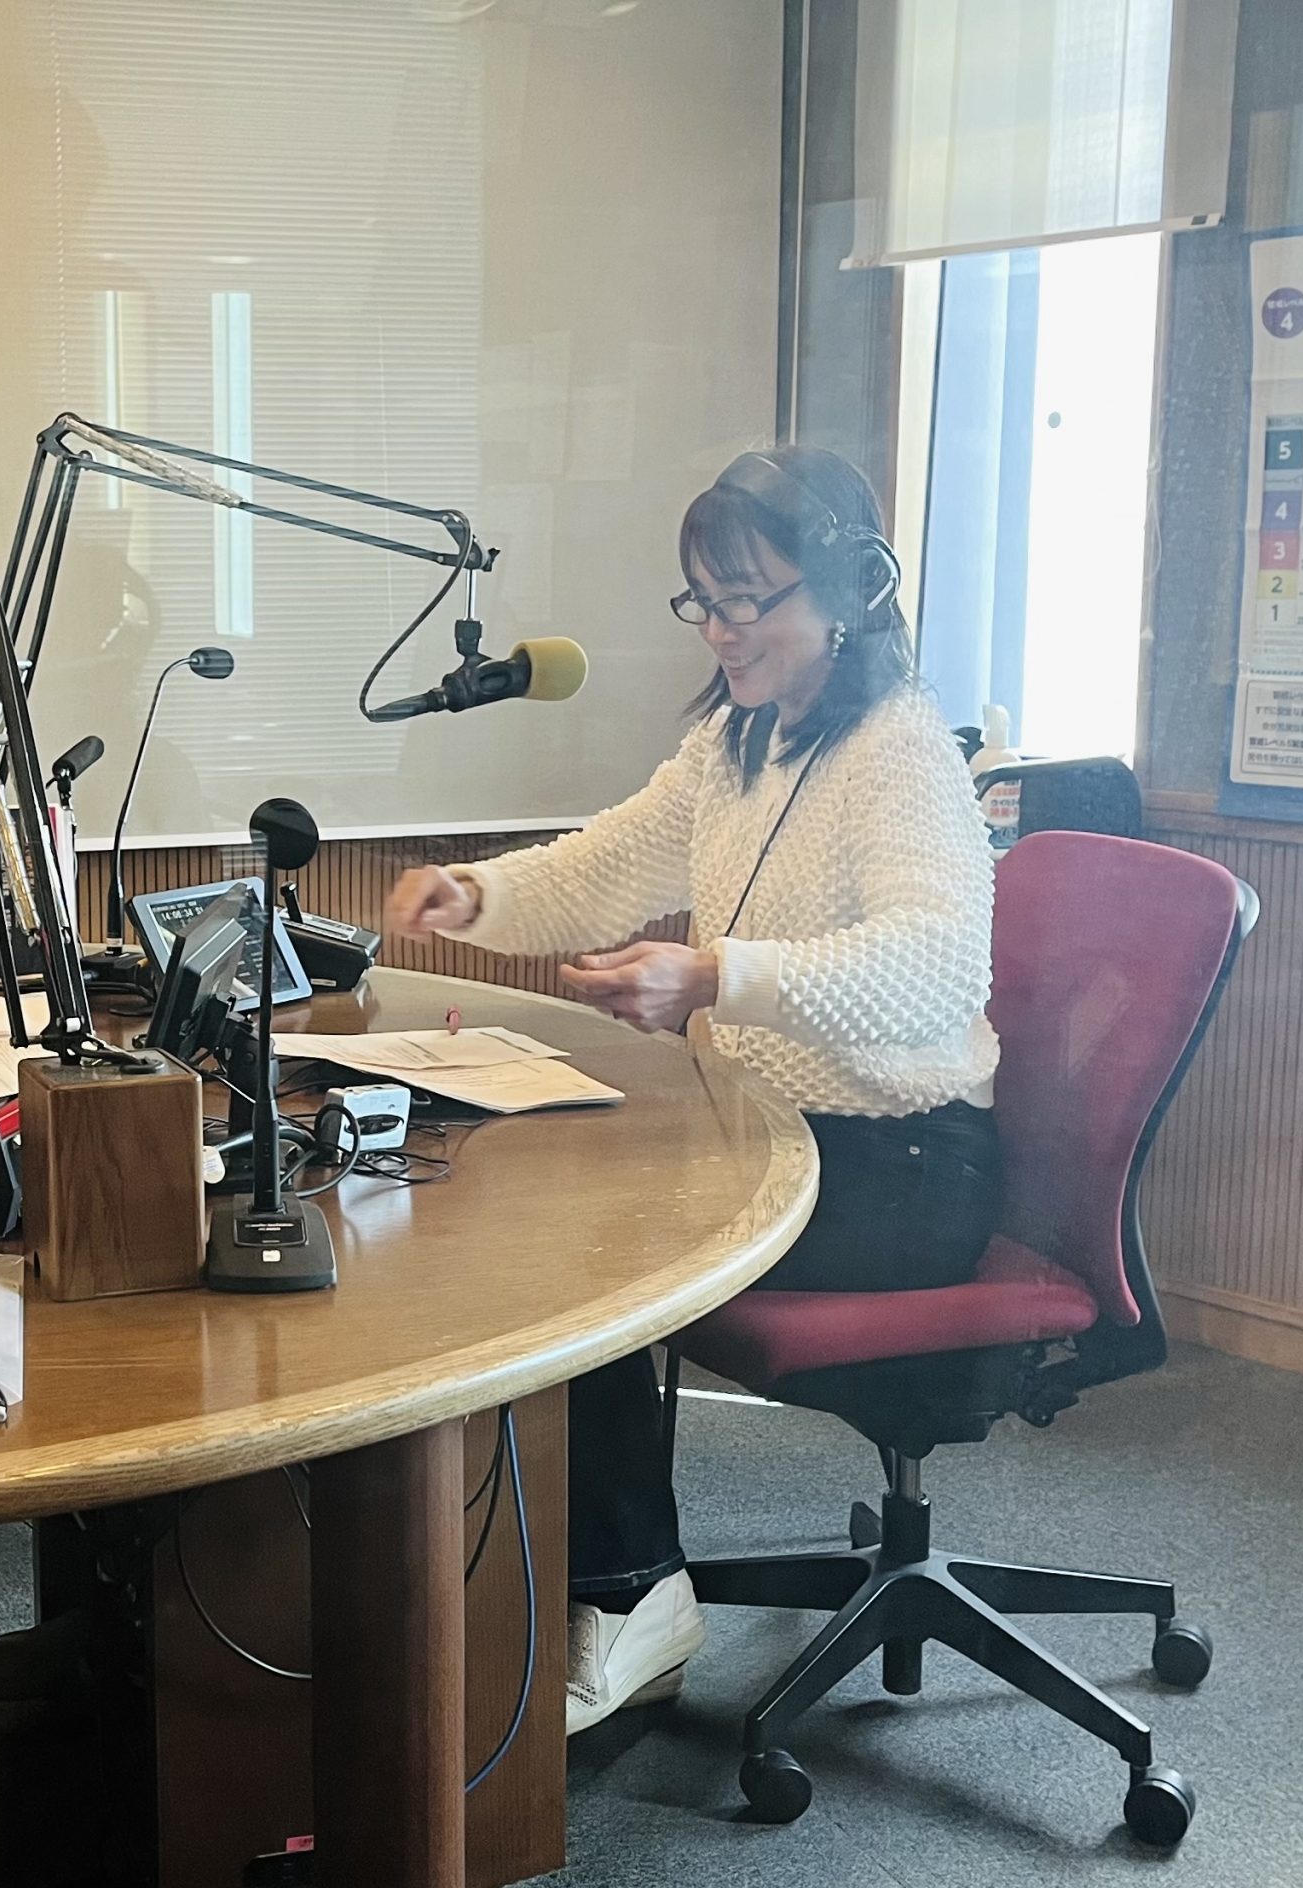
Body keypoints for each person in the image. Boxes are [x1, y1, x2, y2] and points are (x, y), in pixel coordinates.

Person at [384, 447, 999, 1739]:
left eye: (749, 599)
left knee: (602, 1252)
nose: (721, 630)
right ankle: (566, 1578)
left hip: (903, 1168)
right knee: (539, 1191)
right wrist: (476, 895)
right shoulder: (737, 744)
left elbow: (939, 966)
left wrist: (719, 976)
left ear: (850, 591)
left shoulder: (899, 754)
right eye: (704, 603)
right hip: (780, 1137)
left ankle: (632, 1596)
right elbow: (610, 864)